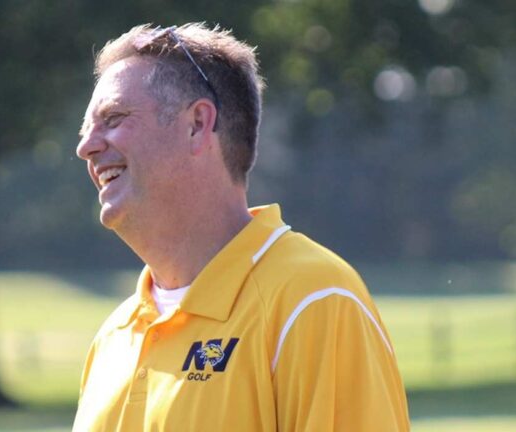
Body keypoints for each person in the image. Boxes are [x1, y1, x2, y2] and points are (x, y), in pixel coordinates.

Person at [73, 23, 409, 431]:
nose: (86, 146)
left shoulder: (314, 300)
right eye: (86, 129)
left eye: (113, 118)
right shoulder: (114, 337)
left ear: (197, 124)